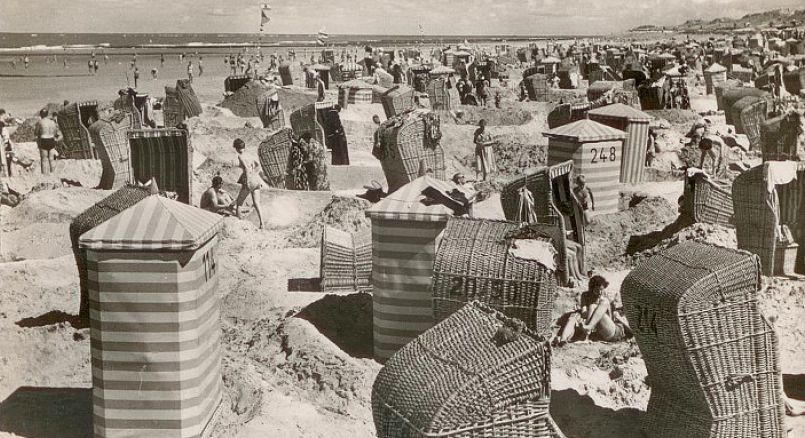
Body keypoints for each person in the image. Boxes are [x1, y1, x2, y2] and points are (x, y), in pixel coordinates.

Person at [233, 138, 267, 229]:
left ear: (236, 148)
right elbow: (258, 166)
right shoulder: (250, 155)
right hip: (256, 179)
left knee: (239, 203)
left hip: (249, 180)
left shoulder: (240, 156)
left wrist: (248, 182)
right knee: (257, 203)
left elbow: (247, 169)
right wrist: (254, 174)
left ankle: (239, 224)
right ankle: (262, 224)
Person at [34, 108, 61, 175]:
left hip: (44, 140)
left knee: (44, 159)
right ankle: (53, 174)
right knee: (51, 159)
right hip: (51, 140)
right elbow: (56, 133)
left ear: (41, 115)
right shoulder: (52, 122)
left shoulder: (40, 122)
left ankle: (44, 176)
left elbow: (36, 133)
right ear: (47, 114)